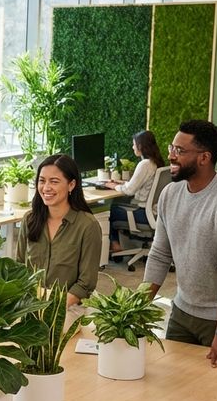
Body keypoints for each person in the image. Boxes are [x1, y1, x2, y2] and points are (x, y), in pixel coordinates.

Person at [144, 120, 217, 369]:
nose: (171, 156)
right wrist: (137, 309)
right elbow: (160, 254)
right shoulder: (169, 195)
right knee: (174, 382)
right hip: (183, 310)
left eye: (180, 151)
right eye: (172, 148)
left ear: (204, 158)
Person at [16, 154, 101, 316]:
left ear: (71, 185)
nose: (46, 187)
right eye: (42, 181)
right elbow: (19, 268)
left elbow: (86, 283)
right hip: (29, 307)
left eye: (54, 181)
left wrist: (52, 309)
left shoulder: (87, 225)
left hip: (68, 309)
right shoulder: (29, 219)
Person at [105, 130, 165, 253]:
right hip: (155, 214)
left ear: (140, 146)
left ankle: (115, 244)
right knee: (117, 204)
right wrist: (120, 183)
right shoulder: (157, 163)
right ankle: (115, 244)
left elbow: (129, 190)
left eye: (134, 144)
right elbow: (139, 185)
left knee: (110, 210)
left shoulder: (145, 164)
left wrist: (112, 186)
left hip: (143, 215)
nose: (132, 147)